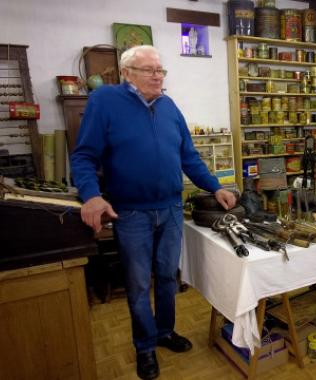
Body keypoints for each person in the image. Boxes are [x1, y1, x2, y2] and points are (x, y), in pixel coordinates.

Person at [71, 45, 237, 380]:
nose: (158, 76)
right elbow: (84, 156)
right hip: (131, 213)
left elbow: (189, 156)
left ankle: (164, 332)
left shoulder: (168, 106)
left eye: (161, 70)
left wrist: (214, 185)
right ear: (126, 73)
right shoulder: (105, 101)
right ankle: (144, 347)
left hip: (172, 209)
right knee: (136, 283)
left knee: (166, 278)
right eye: (149, 70)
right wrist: (90, 195)